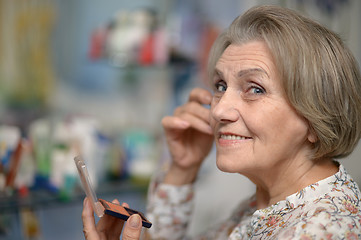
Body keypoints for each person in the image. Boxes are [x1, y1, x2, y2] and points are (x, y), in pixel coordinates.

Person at [82, 5, 361, 239]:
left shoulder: (320, 231)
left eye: (255, 88)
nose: (219, 110)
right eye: (220, 85)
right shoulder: (266, 204)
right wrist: (184, 167)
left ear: (315, 117)